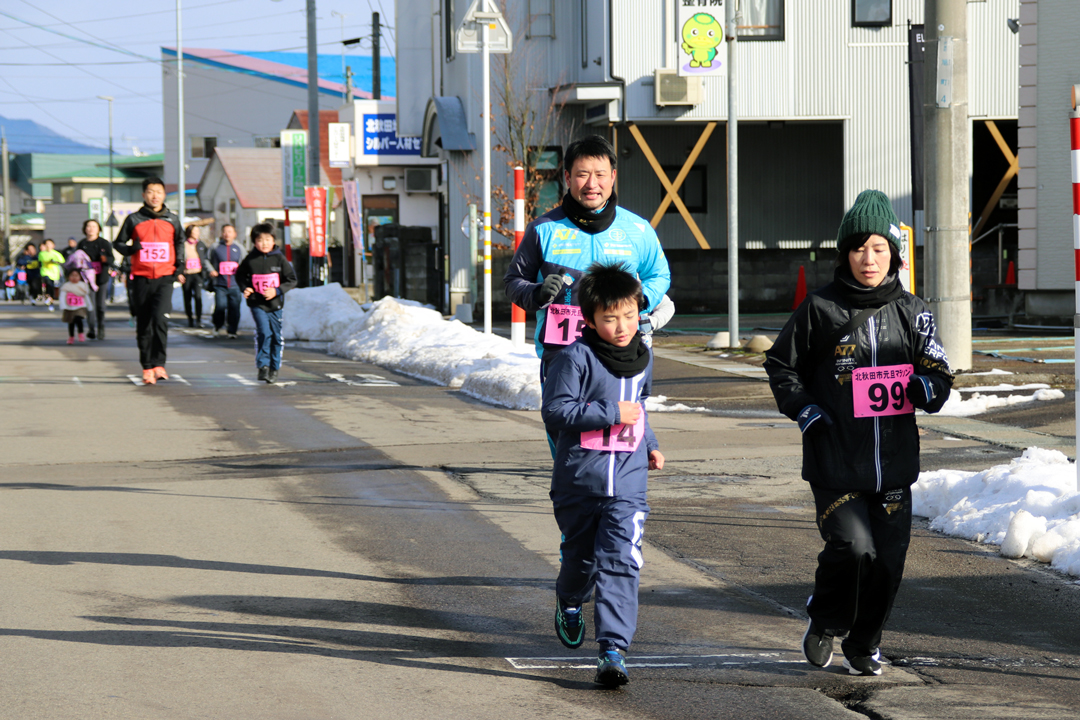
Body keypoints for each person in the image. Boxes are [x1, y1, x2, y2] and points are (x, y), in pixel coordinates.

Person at [762, 190, 954, 677]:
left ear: (894, 254)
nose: (868, 259)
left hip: (893, 463)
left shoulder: (914, 311)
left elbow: (940, 373)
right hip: (834, 460)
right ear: (845, 253)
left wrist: (924, 386)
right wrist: (805, 411)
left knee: (887, 563)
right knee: (853, 548)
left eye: (879, 249)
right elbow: (781, 365)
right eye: (858, 249)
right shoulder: (820, 309)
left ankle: (864, 643)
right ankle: (825, 620)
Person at [505, 135, 671, 454]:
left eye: (600, 174)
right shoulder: (543, 230)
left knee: (620, 437)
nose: (591, 183)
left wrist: (638, 303)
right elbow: (514, 281)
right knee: (567, 438)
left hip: (620, 351)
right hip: (562, 356)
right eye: (582, 174)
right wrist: (538, 293)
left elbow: (659, 274)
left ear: (613, 177)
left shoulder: (637, 231)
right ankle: (572, 498)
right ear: (567, 178)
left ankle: (615, 499)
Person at [541, 262, 665, 688]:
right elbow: (555, 411)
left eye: (629, 315)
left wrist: (649, 444)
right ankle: (570, 599)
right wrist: (611, 413)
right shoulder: (574, 357)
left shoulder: (643, 358)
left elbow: (640, 406)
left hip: (628, 484)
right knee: (581, 562)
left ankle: (613, 650)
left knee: (621, 561)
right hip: (579, 481)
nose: (622, 326)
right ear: (590, 319)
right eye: (610, 318)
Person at [112, 176, 185, 386]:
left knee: (161, 320)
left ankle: (159, 364)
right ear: (144, 195)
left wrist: (179, 265)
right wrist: (130, 249)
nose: (155, 196)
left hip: (165, 277)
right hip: (141, 278)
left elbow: (180, 241)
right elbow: (118, 243)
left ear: (164, 195)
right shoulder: (134, 219)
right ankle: (147, 366)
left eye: (159, 192)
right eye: (151, 192)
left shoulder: (172, 219)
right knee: (144, 323)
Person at [236, 223, 297, 384]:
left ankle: (274, 368)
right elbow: (240, 275)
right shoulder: (251, 258)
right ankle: (263, 366)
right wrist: (246, 288)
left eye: (267, 239)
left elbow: (292, 279)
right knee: (264, 332)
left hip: (275, 304)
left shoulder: (279, 258)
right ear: (254, 242)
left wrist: (276, 291)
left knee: (276, 336)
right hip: (257, 303)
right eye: (259, 240)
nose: (264, 243)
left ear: (273, 240)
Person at [76, 219, 113, 339]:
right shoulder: (82, 244)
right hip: (86, 279)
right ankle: (91, 328)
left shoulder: (104, 243)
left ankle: (101, 327)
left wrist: (105, 259)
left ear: (99, 229)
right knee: (90, 305)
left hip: (101, 277)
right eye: (88, 226)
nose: (91, 229)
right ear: (84, 229)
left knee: (100, 305)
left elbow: (111, 259)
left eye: (94, 226)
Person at [208, 223, 244, 338]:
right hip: (220, 284)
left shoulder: (239, 248)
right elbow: (206, 260)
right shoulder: (215, 247)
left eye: (229, 231)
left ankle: (232, 331)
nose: (227, 234)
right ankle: (217, 326)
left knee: (234, 308)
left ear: (234, 234)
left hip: (235, 284)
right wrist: (212, 270)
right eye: (224, 231)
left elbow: (245, 262)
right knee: (220, 306)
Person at [181, 224, 210, 327]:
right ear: (189, 232)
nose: (197, 233)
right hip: (187, 274)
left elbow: (205, 258)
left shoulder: (201, 244)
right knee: (187, 297)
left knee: (198, 296)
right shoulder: (183, 245)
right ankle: (190, 319)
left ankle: (198, 319)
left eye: (198, 231)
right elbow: (179, 259)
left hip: (198, 274)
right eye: (195, 231)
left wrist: (205, 272)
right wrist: (180, 273)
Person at [59, 268, 92, 344]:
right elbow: (62, 297)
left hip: (80, 307)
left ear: (80, 277)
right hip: (69, 307)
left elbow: (86, 296)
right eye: (72, 276)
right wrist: (63, 305)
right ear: (68, 277)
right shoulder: (66, 286)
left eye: (76, 276)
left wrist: (89, 305)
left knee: (78, 319)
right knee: (71, 322)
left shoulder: (83, 286)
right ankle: (71, 336)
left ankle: (81, 333)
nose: (74, 277)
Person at [38, 239, 65, 311]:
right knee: (47, 283)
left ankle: (51, 301)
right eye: (47, 244)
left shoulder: (56, 253)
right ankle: (48, 297)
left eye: (50, 244)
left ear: (53, 245)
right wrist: (51, 260)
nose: (48, 245)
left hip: (54, 274)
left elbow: (62, 261)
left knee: (52, 288)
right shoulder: (42, 253)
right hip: (45, 272)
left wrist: (56, 261)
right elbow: (43, 259)